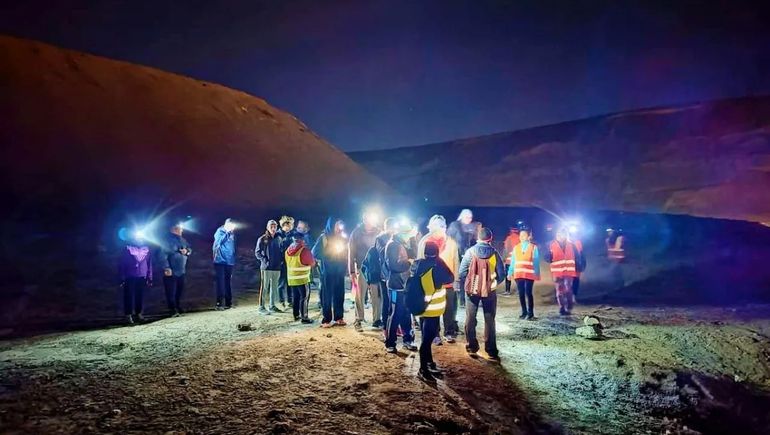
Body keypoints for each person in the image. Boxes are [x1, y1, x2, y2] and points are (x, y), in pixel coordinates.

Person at [459, 227, 505, 361]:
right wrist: (492, 284)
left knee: (470, 318)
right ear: (490, 239)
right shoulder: (494, 253)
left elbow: (462, 273)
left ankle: (472, 347)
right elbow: (501, 274)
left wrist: (471, 282)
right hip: (489, 291)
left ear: (478, 237)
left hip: (472, 290)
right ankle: (491, 350)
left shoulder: (470, 252)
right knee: (490, 319)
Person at [412, 241, 454, 382]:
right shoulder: (437, 266)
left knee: (425, 337)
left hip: (420, 307)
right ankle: (423, 370)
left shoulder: (417, 264)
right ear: (437, 253)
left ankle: (429, 363)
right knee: (426, 340)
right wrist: (439, 260)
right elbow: (450, 278)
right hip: (432, 310)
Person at [417, 215, 460, 344]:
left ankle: (449, 332)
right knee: (432, 310)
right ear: (431, 227)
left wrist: (456, 281)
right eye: (437, 226)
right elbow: (419, 262)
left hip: (447, 283)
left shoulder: (451, 242)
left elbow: (455, 262)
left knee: (449, 309)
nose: (440, 228)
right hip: (430, 284)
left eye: (442, 226)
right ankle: (434, 334)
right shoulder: (425, 242)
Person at [384, 220, 418, 353]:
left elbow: (414, 255)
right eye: (409, 233)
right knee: (395, 314)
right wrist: (408, 263)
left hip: (405, 285)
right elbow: (394, 266)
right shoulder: (392, 245)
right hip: (396, 285)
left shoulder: (402, 243)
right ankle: (390, 343)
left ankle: (407, 340)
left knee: (406, 314)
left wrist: (413, 240)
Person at [348, 211, 382, 332]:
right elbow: (351, 253)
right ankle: (358, 319)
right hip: (361, 268)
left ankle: (377, 320)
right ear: (364, 219)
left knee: (376, 295)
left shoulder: (378, 232)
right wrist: (351, 271)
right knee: (359, 295)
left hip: (375, 269)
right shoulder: (356, 233)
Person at [312, 217, 348, 327]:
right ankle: (326, 319)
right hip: (327, 272)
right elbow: (315, 252)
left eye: (340, 225)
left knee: (339, 294)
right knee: (327, 295)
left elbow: (346, 252)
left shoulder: (342, 237)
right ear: (331, 225)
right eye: (336, 225)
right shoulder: (324, 237)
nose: (338, 227)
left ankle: (339, 317)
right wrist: (329, 255)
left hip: (339, 272)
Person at [448, 209, 480, 309]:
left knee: (472, 276)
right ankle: (462, 299)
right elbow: (448, 238)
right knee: (461, 277)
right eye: (467, 217)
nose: (469, 220)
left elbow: (476, 239)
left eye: (470, 218)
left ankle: (472, 297)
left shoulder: (472, 227)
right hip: (457, 254)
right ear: (462, 217)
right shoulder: (455, 225)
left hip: (469, 254)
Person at [545, 228, 581, 315]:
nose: (561, 236)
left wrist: (578, 267)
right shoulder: (551, 245)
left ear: (565, 235)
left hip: (569, 272)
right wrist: (549, 256)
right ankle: (562, 308)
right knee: (559, 291)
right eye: (559, 235)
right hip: (557, 272)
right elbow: (546, 257)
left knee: (568, 289)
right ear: (556, 236)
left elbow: (577, 257)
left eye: (562, 234)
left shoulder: (572, 245)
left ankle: (569, 305)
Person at [119, 233, 153, 324]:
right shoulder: (127, 249)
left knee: (140, 295)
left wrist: (149, 277)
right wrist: (122, 277)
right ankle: (128, 315)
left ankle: (138, 314)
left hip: (142, 275)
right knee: (128, 296)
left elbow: (149, 264)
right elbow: (122, 263)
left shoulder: (146, 249)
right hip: (129, 275)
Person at [508, 228, 540, 320]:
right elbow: (513, 261)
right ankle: (524, 312)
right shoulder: (516, 247)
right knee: (521, 293)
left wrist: (536, 273)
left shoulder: (533, 247)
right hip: (518, 274)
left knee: (528, 293)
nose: (522, 237)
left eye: (524, 235)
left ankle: (530, 313)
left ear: (528, 237)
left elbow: (536, 261)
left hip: (529, 274)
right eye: (520, 235)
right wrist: (510, 272)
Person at [160, 222, 191, 317]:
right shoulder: (167, 241)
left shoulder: (183, 240)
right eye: (179, 228)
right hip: (172, 270)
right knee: (171, 291)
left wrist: (187, 251)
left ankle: (177, 306)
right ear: (173, 229)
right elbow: (162, 255)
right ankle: (172, 309)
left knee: (179, 290)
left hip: (181, 270)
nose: (182, 230)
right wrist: (166, 267)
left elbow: (189, 249)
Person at [374, 218, 399, 332]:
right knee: (386, 301)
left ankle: (395, 325)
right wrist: (391, 241)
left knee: (397, 302)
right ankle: (386, 326)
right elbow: (382, 253)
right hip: (385, 275)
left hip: (397, 275)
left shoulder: (398, 239)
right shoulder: (380, 239)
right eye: (392, 227)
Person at [285, 232, 315, 323]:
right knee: (304, 297)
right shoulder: (304, 250)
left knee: (296, 297)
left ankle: (296, 315)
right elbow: (312, 263)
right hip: (302, 279)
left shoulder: (288, 250)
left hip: (292, 279)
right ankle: (304, 317)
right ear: (302, 240)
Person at [255, 220, 283, 314]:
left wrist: (281, 261)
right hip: (266, 268)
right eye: (271, 226)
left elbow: (281, 250)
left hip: (276, 267)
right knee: (265, 287)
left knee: (274, 287)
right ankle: (261, 307)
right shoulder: (262, 239)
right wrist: (265, 261)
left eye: (275, 226)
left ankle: (272, 305)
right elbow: (257, 252)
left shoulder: (279, 238)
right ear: (267, 228)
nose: (273, 228)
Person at [212, 218, 237, 310]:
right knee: (220, 282)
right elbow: (219, 242)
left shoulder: (232, 234)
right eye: (230, 225)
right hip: (220, 260)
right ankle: (219, 303)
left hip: (229, 261)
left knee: (228, 282)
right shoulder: (220, 231)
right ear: (226, 224)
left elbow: (232, 246)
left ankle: (228, 303)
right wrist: (228, 232)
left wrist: (233, 257)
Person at [277, 215, 296, 308]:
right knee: (281, 283)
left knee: (290, 282)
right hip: (281, 263)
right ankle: (281, 300)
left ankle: (290, 300)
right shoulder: (278, 235)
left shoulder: (293, 235)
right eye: (286, 225)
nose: (288, 227)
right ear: (282, 225)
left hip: (290, 263)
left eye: (290, 225)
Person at [502, 226, 521, 296]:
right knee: (517, 276)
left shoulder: (508, 238)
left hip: (509, 261)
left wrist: (503, 258)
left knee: (508, 276)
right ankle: (520, 290)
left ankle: (507, 291)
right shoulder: (520, 238)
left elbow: (506, 249)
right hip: (518, 261)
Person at [568, 226, 586, 302]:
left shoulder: (578, 242)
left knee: (575, 281)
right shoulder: (565, 242)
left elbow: (581, 254)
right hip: (568, 267)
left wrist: (583, 264)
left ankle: (573, 296)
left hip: (576, 266)